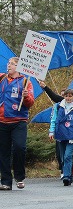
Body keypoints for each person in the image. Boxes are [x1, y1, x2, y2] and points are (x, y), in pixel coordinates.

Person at [0, 57, 34, 190]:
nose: (9, 65)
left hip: (18, 120)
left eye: (12, 64)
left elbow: (30, 103)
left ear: (18, 67)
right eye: (8, 63)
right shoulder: (2, 78)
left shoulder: (25, 82)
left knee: (19, 148)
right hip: (2, 120)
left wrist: (26, 96)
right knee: (3, 152)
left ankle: (19, 176)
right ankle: (6, 182)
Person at [49, 89, 73, 186]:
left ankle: (67, 176)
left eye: (70, 96)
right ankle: (67, 172)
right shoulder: (58, 106)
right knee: (62, 157)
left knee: (68, 155)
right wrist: (51, 131)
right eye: (66, 96)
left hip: (72, 134)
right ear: (64, 96)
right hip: (61, 133)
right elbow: (54, 119)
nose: (68, 98)